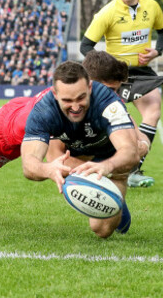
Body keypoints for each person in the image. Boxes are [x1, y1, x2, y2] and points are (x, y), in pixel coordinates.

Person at [20, 62, 140, 238]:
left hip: (111, 155)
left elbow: (130, 152)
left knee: (104, 230)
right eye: (67, 101)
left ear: (90, 88)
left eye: (81, 98)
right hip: (78, 155)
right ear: (55, 94)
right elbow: (29, 163)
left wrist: (108, 167)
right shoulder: (43, 111)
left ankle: (116, 187)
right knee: (101, 231)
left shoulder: (107, 101)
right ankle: (110, 194)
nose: (75, 107)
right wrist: (48, 169)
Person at [80, 0, 163, 188]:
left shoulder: (152, 7)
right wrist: (106, 66)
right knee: (117, 119)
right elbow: (86, 46)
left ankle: (133, 167)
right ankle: (97, 163)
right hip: (115, 74)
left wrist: (157, 50)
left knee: (153, 111)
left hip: (142, 71)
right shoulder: (107, 12)